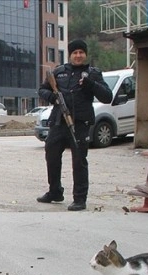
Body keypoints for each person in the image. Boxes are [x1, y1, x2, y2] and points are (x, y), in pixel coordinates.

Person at [36, 39, 112, 211]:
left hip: (80, 124)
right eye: (75, 53)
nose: (78, 56)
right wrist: (53, 97)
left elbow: (107, 96)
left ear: (85, 54)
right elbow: (42, 89)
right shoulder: (59, 72)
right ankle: (55, 191)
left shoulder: (92, 73)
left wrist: (91, 85)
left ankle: (79, 198)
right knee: (52, 157)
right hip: (58, 122)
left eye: (81, 52)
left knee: (79, 162)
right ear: (70, 54)